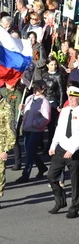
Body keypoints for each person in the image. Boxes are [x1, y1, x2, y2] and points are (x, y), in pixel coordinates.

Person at [47, 82, 79, 218]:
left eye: (73, 97)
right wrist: (53, 146)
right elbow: (59, 129)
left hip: (75, 152)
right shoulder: (65, 111)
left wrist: (72, 149)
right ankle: (60, 200)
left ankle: (75, 206)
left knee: (75, 182)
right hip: (61, 148)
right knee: (51, 176)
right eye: (69, 97)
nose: (70, 99)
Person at [16, 80, 50, 183]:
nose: (35, 90)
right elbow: (25, 113)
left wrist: (34, 123)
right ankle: (42, 167)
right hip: (27, 128)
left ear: (43, 90)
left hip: (36, 130)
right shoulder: (29, 98)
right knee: (29, 151)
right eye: (34, 88)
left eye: (38, 88)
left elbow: (46, 118)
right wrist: (21, 110)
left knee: (30, 151)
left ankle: (25, 174)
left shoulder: (44, 102)